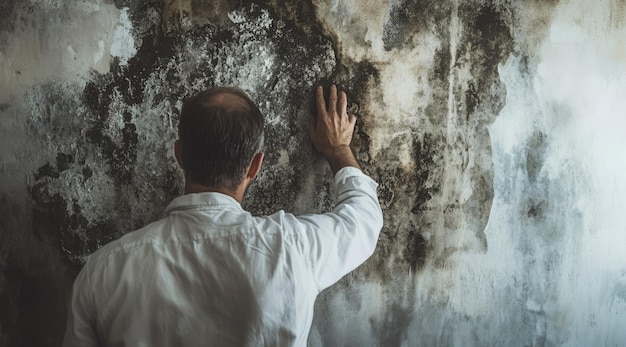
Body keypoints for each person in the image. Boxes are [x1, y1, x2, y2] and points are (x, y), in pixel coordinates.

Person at [63, 85, 383, 346]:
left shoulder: (103, 272)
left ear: (179, 155)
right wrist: (338, 149)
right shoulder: (293, 248)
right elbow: (363, 220)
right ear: (255, 166)